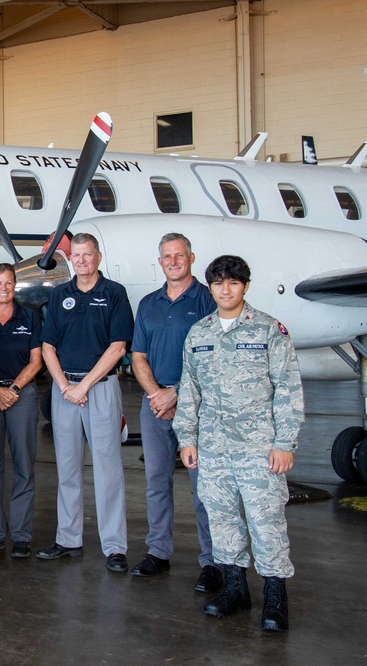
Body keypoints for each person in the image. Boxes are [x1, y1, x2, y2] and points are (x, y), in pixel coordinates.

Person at [174, 255, 303, 633]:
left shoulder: (268, 330)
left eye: (233, 282)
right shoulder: (199, 333)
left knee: (266, 522)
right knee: (223, 520)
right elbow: (189, 392)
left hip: (259, 449)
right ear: (210, 287)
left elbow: (288, 389)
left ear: (245, 286)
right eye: (218, 283)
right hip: (213, 450)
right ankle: (235, 589)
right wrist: (187, 438)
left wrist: (284, 442)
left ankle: (276, 596)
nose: (225, 289)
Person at [36, 232, 133, 573]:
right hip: (66, 392)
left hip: (101, 390)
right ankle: (68, 539)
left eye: (87, 255)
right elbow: (48, 346)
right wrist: (65, 386)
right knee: (67, 469)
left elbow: (119, 346)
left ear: (98, 257)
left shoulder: (114, 294)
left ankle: (114, 547)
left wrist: (84, 386)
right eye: (76, 255)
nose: (81, 261)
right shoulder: (60, 294)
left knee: (108, 470)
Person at [129, 234, 221, 591]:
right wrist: (157, 395)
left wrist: (178, 394)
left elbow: (212, 358)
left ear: (191, 258)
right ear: (160, 261)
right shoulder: (148, 304)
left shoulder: (207, 300)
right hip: (154, 406)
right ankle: (158, 552)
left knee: (203, 488)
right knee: (156, 483)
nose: (173, 261)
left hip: (196, 408)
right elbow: (138, 356)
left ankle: (213, 561)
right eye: (166, 256)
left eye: (178, 255)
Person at [0, 263, 43, 560]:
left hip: (21, 393)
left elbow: (36, 360)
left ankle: (22, 535)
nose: (3, 288)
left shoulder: (30, 316)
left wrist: (12, 390)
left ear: (15, 286)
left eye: (8, 283)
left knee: (24, 465)